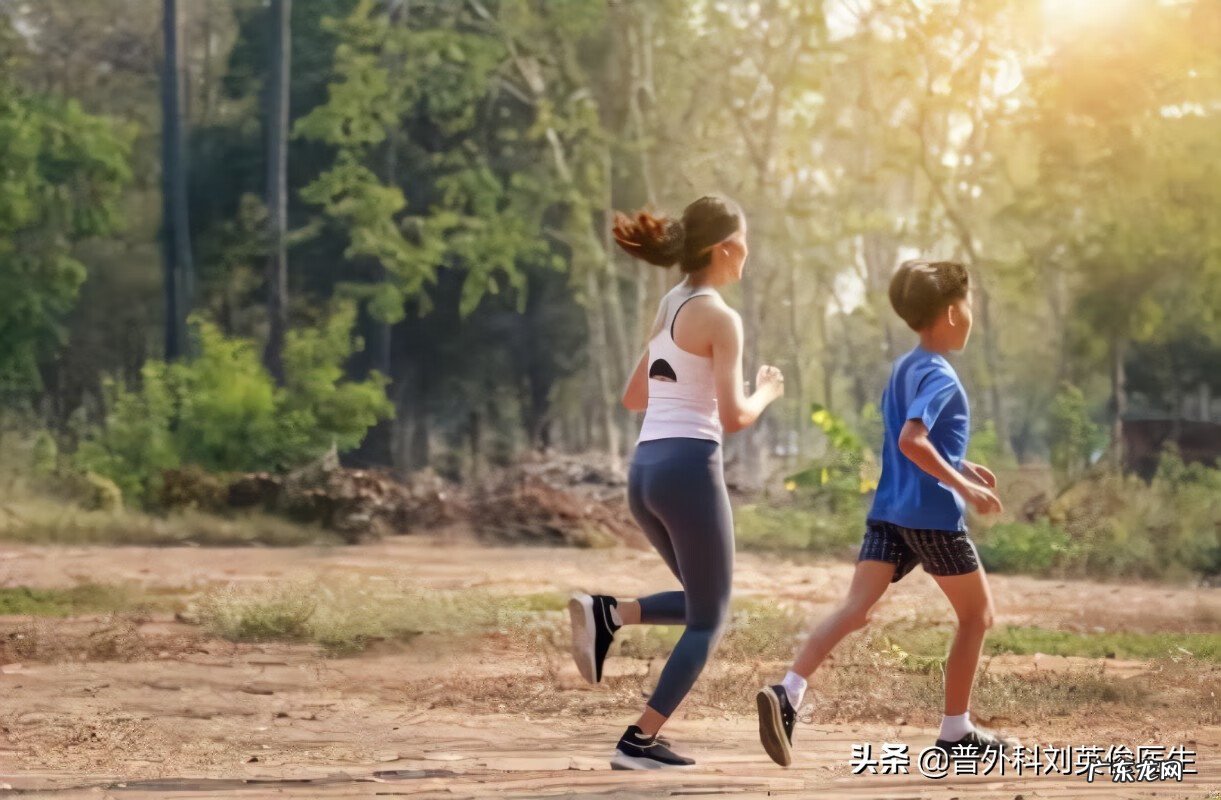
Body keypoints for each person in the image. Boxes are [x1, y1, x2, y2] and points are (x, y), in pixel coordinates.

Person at [756, 259, 1018, 768]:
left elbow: (915, 442)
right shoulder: (941, 375)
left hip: (889, 512)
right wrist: (964, 485)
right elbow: (911, 440)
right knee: (977, 616)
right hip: (932, 518)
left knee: (855, 609)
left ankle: (788, 691)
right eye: (968, 304)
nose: (970, 314)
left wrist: (961, 463)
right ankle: (956, 731)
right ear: (951, 312)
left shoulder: (905, 367)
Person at [567, 195, 784, 770]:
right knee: (710, 618)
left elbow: (633, 396)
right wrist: (766, 390)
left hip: (645, 472)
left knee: (701, 601)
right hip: (689, 470)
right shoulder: (721, 317)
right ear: (725, 248)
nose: (748, 256)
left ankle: (610, 614)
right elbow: (735, 416)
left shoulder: (671, 303)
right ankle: (638, 741)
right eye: (745, 245)